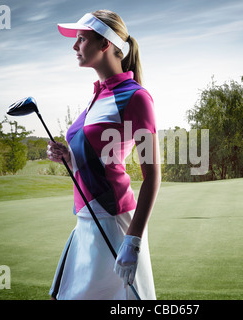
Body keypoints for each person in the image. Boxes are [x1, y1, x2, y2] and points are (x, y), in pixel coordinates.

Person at [47, 10, 160, 300]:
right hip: (85, 221)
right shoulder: (96, 97)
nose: (75, 46)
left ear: (105, 44)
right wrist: (68, 157)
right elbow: (95, 159)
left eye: (81, 39)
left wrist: (133, 240)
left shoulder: (136, 97)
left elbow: (152, 176)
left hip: (114, 224)